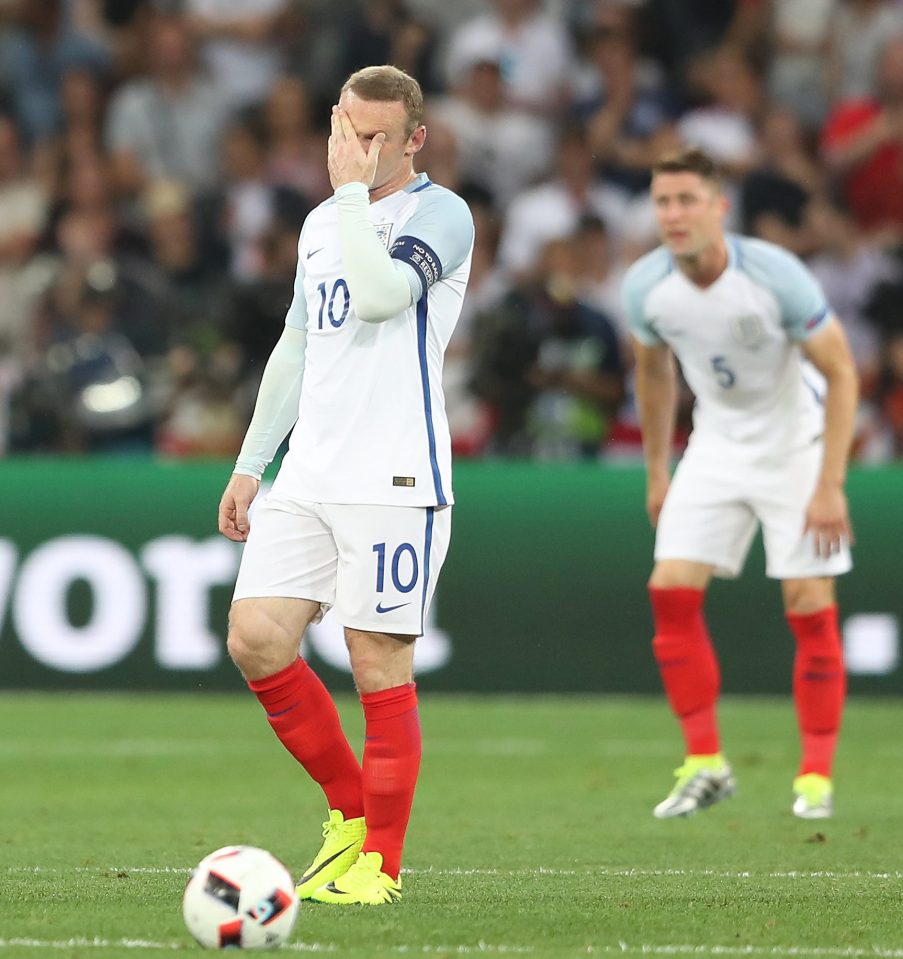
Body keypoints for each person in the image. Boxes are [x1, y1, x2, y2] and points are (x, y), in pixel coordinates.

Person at [216, 65, 474, 904]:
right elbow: (297, 344)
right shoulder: (324, 221)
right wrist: (252, 462)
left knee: (377, 662)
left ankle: (381, 870)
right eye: (346, 130)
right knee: (255, 637)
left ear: (414, 140)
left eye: (376, 138)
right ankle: (348, 811)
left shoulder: (441, 214)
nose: (357, 151)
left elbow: (374, 299)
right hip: (311, 471)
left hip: (394, 474)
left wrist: (355, 198)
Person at [621, 147, 858, 821]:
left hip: (794, 446)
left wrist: (829, 484)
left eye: (686, 200)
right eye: (662, 202)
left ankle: (813, 776)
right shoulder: (646, 286)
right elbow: (653, 373)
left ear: (717, 207)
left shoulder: (773, 275)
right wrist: (658, 469)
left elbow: (841, 372)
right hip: (715, 445)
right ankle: (704, 762)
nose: (672, 214)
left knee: (807, 599)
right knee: (668, 588)